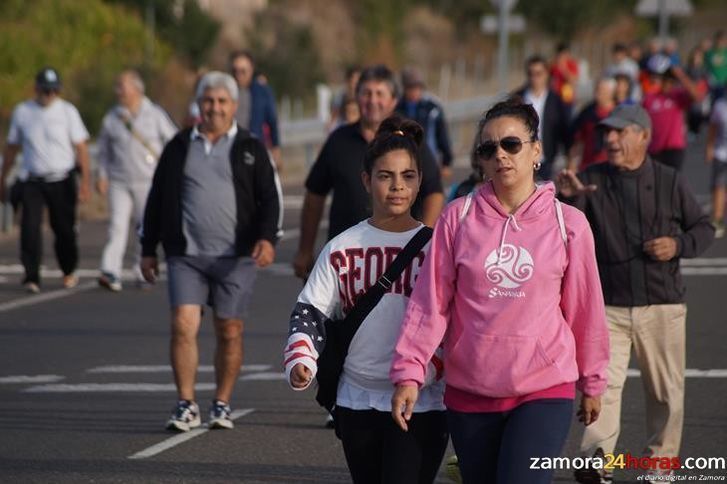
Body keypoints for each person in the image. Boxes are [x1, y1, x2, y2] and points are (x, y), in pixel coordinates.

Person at [390, 98, 609, 484]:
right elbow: (430, 303)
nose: (500, 156)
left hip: (544, 389)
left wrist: (592, 381)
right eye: (488, 148)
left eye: (511, 144)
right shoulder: (457, 217)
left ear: (536, 150)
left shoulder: (568, 223)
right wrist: (409, 372)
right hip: (469, 391)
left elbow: (585, 311)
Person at [556, 104, 715, 483]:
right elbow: (569, 234)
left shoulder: (669, 180)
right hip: (607, 306)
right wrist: (571, 198)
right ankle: (596, 461)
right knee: (604, 387)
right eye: (606, 133)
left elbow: (704, 227)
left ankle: (659, 466)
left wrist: (676, 245)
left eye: (620, 132)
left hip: (662, 303)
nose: (610, 139)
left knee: (665, 393)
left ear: (643, 136)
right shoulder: (590, 179)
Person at [284, 115, 448, 484]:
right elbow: (310, 310)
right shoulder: (342, 247)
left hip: (423, 399)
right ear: (366, 180)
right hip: (356, 397)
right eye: (385, 176)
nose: (397, 187)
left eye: (407, 176)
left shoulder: (439, 248)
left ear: (420, 181)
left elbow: (454, 320)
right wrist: (302, 358)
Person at [140, 71, 282, 432]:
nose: (214, 108)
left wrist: (267, 239)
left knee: (229, 329)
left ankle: (221, 402)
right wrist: (148, 248)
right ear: (198, 104)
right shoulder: (179, 146)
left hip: (236, 257)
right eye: (208, 101)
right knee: (182, 325)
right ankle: (186, 403)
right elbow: (157, 198)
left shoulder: (250, 148)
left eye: (221, 102)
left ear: (234, 106)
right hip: (186, 254)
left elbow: (269, 199)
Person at [292, 64, 444, 280]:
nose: (373, 101)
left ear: (393, 100)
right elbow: (314, 196)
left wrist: (424, 240)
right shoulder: (338, 141)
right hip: (347, 259)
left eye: (379, 94)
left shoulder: (410, 141)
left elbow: (434, 191)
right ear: (356, 97)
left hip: (400, 259)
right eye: (366, 93)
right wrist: (305, 249)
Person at [0, 67, 91, 294]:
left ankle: (68, 268)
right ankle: (31, 275)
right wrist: (3, 176)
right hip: (33, 179)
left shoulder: (67, 111)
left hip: (61, 179)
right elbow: (12, 147)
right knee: (29, 228)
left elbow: (81, 148)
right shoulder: (23, 112)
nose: (49, 95)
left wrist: (86, 182)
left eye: (53, 91)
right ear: (36, 89)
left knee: (64, 230)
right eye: (45, 90)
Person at [96, 70, 178, 292]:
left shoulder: (154, 114)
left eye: (122, 86)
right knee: (117, 226)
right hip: (119, 181)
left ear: (136, 89)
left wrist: (169, 172)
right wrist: (102, 175)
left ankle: (141, 270)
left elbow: (174, 141)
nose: (118, 91)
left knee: (145, 227)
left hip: (148, 181)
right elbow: (103, 151)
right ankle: (110, 270)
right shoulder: (112, 117)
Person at [642, 54, 706, 171]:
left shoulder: (676, 95)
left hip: (674, 149)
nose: (655, 80)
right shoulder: (648, 98)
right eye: (654, 76)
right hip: (654, 150)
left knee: (671, 185)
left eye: (660, 77)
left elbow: (697, 95)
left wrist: (679, 74)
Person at [513, 55, 568, 181]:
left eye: (538, 73)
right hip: (521, 157)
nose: (534, 78)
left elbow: (563, 128)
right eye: (531, 73)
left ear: (546, 74)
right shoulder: (518, 98)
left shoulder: (556, 100)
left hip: (546, 158)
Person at [395, 66, 454, 180]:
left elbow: (442, 136)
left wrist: (446, 162)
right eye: (411, 87)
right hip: (403, 162)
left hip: (428, 162)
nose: (414, 91)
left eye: (417, 87)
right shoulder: (397, 109)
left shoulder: (432, 109)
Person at [229, 50, 282, 172]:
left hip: (254, 149)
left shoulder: (262, 92)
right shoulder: (226, 93)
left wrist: (276, 148)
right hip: (230, 150)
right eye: (235, 71)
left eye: (243, 71)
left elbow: (272, 120)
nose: (238, 75)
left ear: (251, 70)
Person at [567, 77, 616, 172]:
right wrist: (572, 163)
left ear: (611, 93)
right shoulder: (587, 112)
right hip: (588, 166)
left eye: (601, 90)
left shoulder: (617, 114)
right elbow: (578, 140)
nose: (597, 92)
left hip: (610, 166)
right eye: (596, 89)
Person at [706, 92, 727, 238]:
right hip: (722, 152)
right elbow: (713, 128)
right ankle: (718, 219)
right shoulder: (720, 106)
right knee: (719, 186)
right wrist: (709, 147)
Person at [549, 42, 580, 115]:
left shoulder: (572, 64)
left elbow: (573, 81)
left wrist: (563, 68)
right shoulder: (553, 65)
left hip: (567, 98)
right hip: (555, 98)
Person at [705, 30, 727, 102]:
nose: (721, 42)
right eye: (719, 39)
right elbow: (705, 67)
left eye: (723, 40)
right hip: (712, 83)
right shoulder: (709, 53)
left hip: (724, 84)